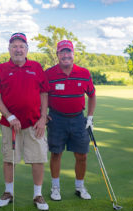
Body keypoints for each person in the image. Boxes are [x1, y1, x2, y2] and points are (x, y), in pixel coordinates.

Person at [0, 33, 49, 211]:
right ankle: (8, 192)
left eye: (21, 46)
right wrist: (9, 116)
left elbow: (44, 93)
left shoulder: (36, 67)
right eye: (14, 46)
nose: (18, 49)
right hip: (10, 124)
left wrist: (42, 118)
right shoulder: (1, 69)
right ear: (9, 49)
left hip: (34, 123)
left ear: (27, 50)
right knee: (9, 160)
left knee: (38, 159)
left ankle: (38, 194)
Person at [45, 40, 96, 201]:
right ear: (58, 55)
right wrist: (43, 114)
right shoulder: (49, 73)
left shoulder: (84, 73)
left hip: (78, 119)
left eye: (68, 52)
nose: (65, 55)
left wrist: (90, 117)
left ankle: (79, 187)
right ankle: (55, 188)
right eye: (62, 52)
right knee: (56, 154)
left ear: (73, 54)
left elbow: (92, 95)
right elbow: (43, 95)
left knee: (82, 155)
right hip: (56, 118)